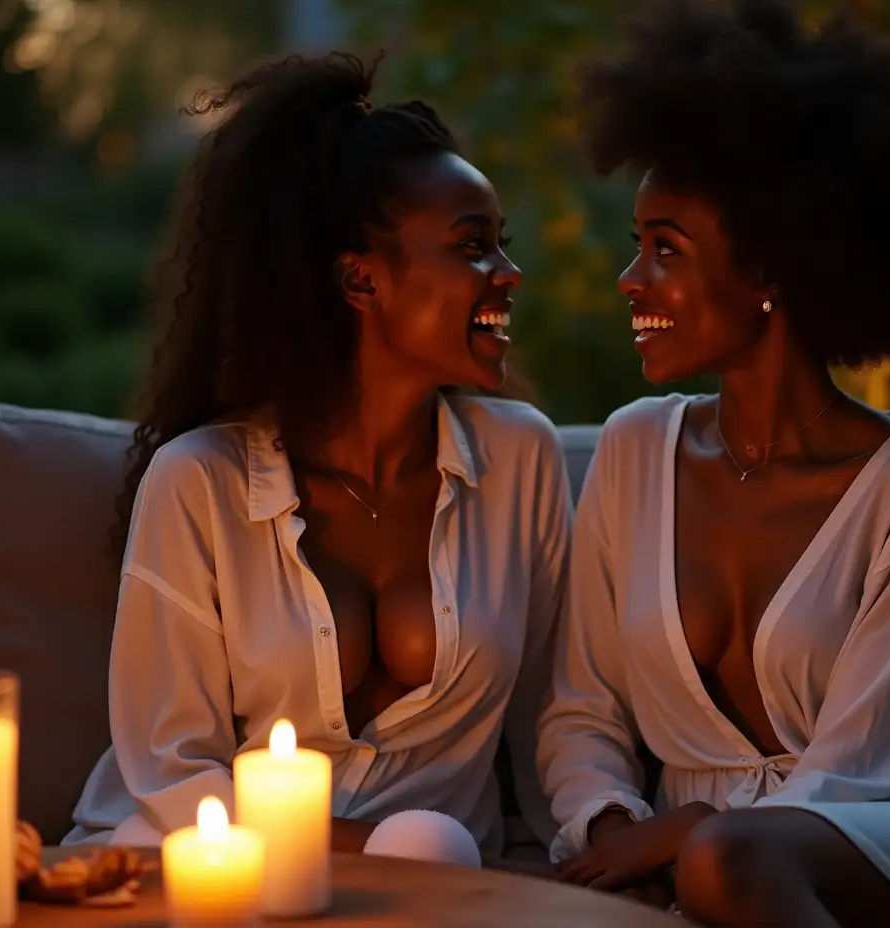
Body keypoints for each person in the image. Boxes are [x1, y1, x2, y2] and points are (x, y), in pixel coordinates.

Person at [536, 1, 890, 924]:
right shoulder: (633, 450)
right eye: (638, 247)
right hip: (723, 855)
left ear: (771, 270)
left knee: (727, 860)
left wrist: (693, 833)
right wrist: (613, 824)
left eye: (664, 249)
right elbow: (579, 710)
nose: (632, 280)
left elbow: (874, 770)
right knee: (722, 859)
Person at [64, 51, 568, 862]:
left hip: (432, 876)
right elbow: (172, 768)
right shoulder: (200, 481)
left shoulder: (521, 462)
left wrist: (596, 838)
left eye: (500, 245)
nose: (508, 275)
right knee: (418, 848)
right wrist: (364, 854)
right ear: (362, 283)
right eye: (473, 247)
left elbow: (557, 712)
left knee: (429, 845)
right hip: (217, 857)